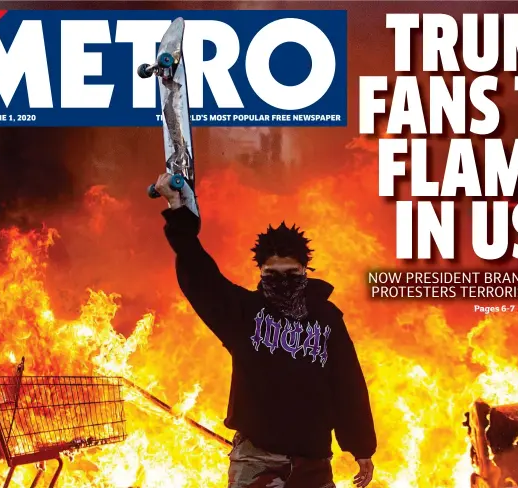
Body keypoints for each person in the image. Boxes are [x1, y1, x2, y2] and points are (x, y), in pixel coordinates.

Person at [155, 173, 377, 488]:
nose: (283, 281)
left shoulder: (327, 319)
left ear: (305, 271)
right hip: (256, 459)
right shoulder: (243, 313)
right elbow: (199, 275)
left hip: (312, 461)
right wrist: (178, 208)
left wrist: (361, 447)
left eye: (291, 273)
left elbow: (347, 383)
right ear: (261, 272)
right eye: (273, 274)